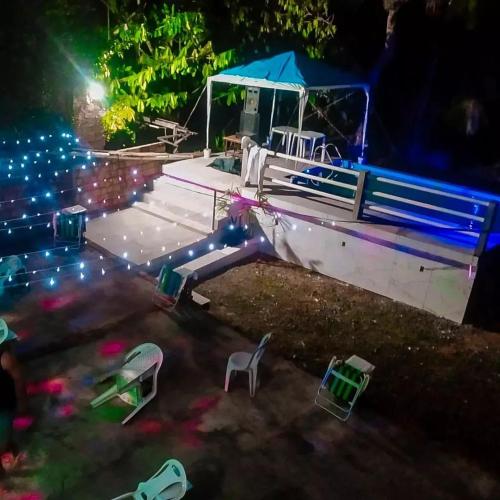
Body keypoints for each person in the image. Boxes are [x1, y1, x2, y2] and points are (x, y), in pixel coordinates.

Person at [0, 318, 27, 481]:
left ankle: (7, 448)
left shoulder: (5, 359)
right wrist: (23, 404)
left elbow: (18, 381)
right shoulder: (6, 357)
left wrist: (22, 403)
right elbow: (18, 381)